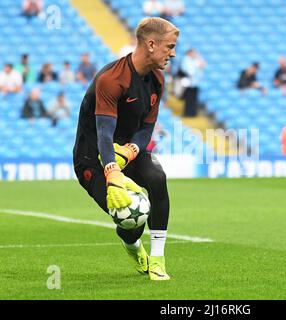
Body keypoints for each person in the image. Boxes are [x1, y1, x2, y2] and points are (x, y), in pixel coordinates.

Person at [73, 17, 179, 281]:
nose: (173, 53)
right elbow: (104, 133)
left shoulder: (157, 79)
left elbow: (146, 128)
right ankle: (132, 244)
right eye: (170, 46)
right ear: (151, 45)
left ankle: (157, 259)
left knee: (158, 178)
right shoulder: (111, 79)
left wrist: (132, 150)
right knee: (131, 217)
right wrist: (111, 170)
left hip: (126, 152)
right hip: (94, 158)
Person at [180, 48, 206, 117]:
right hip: (189, 83)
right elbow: (190, 71)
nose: (194, 54)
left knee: (193, 99)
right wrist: (197, 65)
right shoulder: (186, 60)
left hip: (194, 83)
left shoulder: (192, 60)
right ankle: (188, 113)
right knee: (189, 99)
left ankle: (192, 113)